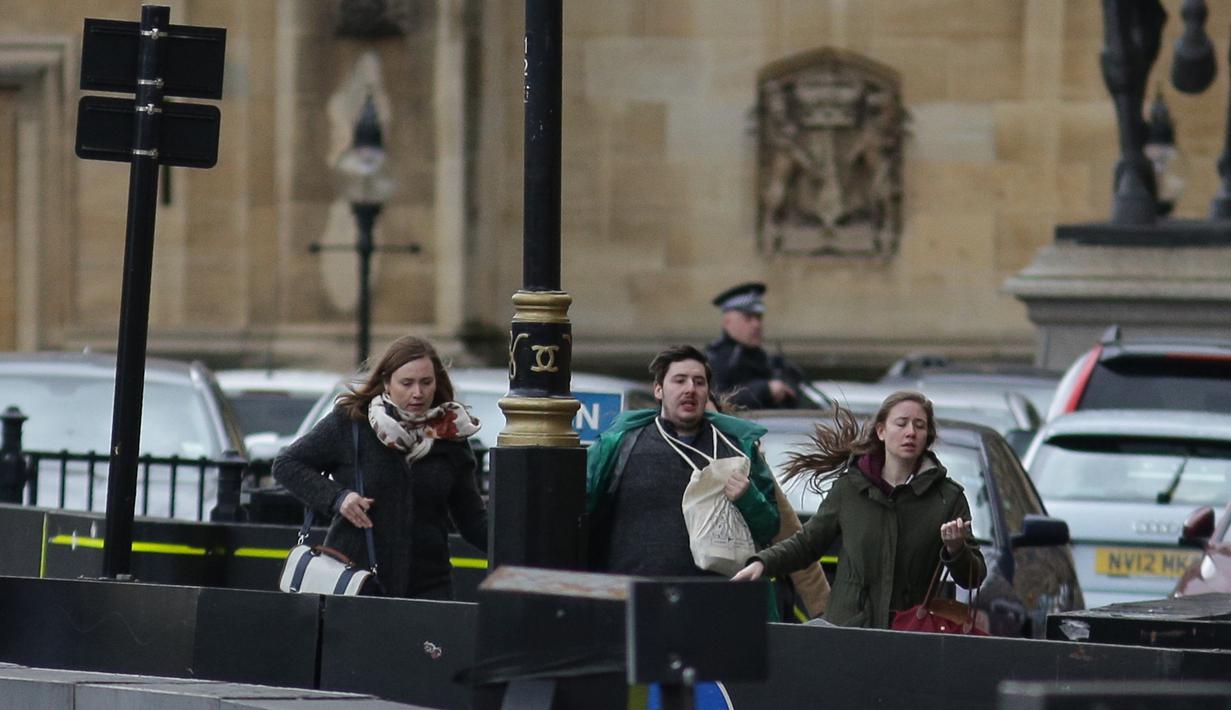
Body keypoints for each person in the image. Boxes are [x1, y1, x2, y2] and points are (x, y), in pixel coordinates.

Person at [732, 391, 986, 629]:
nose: (911, 432)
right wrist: (762, 563)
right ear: (881, 431)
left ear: (927, 436)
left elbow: (974, 577)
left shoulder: (947, 497)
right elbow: (807, 543)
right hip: (850, 630)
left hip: (911, 634)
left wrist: (956, 549)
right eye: (901, 423)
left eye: (919, 426)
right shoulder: (850, 488)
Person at [273, 335, 487, 599]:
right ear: (387, 382)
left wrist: (521, 552)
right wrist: (338, 498)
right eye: (407, 383)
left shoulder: (450, 436)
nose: (417, 393)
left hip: (428, 587)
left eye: (426, 382)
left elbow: (472, 520)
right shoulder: (353, 423)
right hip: (354, 580)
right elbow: (287, 464)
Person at [585, 345, 780, 578]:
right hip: (635, 590)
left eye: (699, 382)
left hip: (715, 593)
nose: (690, 389)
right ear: (658, 390)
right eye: (680, 380)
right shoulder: (622, 444)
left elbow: (770, 528)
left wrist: (749, 498)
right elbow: (579, 508)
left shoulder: (736, 448)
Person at [705, 282, 798, 409]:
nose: (756, 325)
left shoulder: (764, 358)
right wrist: (765, 389)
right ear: (727, 322)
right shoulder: (717, 358)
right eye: (747, 318)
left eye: (759, 318)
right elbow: (717, 400)